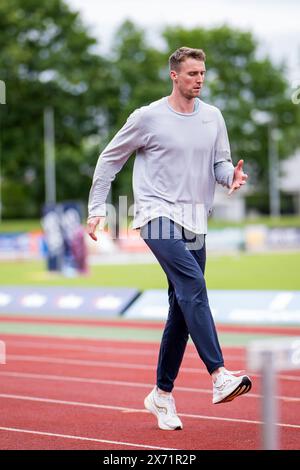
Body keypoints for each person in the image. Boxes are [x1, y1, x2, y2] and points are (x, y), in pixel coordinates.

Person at [87, 47, 252, 431]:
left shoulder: (213, 117)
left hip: (196, 219)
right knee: (193, 284)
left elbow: (220, 163)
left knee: (181, 306)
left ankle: (161, 395)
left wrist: (231, 177)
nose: (200, 79)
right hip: (155, 214)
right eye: (192, 73)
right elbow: (110, 158)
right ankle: (219, 375)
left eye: (203, 73)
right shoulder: (148, 118)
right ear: (174, 76)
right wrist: (97, 207)